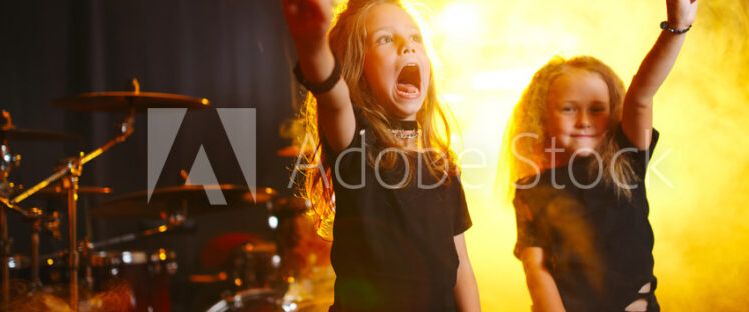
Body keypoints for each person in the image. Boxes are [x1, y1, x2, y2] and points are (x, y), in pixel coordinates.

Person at [279, 0, 481, 311]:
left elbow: (462, 266)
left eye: (415, 38)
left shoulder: (441, 163)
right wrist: (312, 44)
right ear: (356, 70)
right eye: (385, 39)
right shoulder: (358, 143)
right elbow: (332, 97)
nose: (407, 47)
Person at [501, 0, 699, 310]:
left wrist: (676, 29)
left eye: (597, 110)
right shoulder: (531, 189)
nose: (583, 121)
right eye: (569, 109)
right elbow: (536, 270)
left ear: (613, 114)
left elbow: (641, 97)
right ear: (543, 117)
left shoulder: (626, 159)